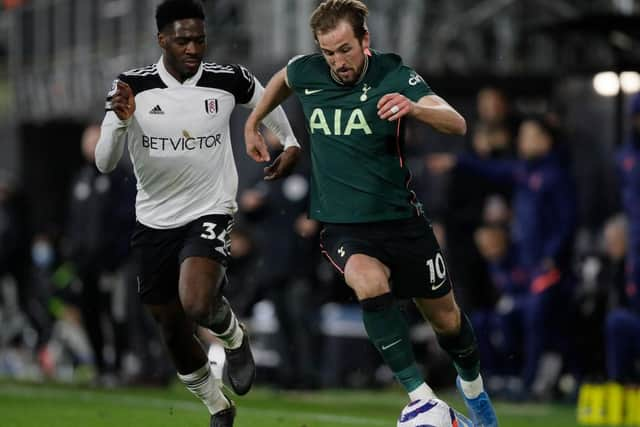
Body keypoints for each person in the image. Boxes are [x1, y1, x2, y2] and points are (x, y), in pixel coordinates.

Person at [243, 1, 498, 425]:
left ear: (365, 40)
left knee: (448, 322)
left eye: (345, 49)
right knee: (366, 280)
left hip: (402, 222)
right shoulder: (310, 70)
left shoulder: (393, 74)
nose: (337, 62)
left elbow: (456, 123)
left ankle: (477, 400)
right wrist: (255, 121)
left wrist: (413, 107)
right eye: (328, 52)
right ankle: (422, 398)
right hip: (345, 227)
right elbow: (284, 78)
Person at [95, 1, 299, 425]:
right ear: (161, 40)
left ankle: (233, 336)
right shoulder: (132, 86)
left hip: (210, 209)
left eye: (199, 38)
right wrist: (119, 122)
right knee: (171, 326)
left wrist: (290, 142)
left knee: (197, 300)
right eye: (182, 39)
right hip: (153, 221)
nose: (192, 47)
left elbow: (267, 103)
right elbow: (104, 162)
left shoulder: (229, 79)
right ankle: (217, 405)